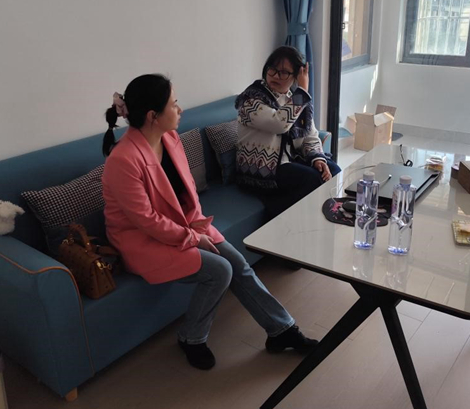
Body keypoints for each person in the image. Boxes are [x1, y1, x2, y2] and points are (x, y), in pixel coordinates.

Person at [101, 74, 318, 370]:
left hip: (183, 224)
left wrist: (196, 227)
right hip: (141, 240)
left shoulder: (170, 138)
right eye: (174, 104)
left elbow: (186, 191)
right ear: (153, 116)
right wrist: (192, 238)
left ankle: (282, 330)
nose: (180, 109)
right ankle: (191, 337)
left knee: (237, 263)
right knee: (219, 270)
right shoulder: (123, 159)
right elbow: (146, 220)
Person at [235, 45, 341, 217]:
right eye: (272, 69)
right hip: (260, 167)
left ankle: (323, 218)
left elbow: (310, 135)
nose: (276, 76)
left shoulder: (293, 100)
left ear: (295, 76)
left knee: (333, 170)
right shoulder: (251, 100)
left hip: (288, 162)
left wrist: (317, 159)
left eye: (284, 72)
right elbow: (279, 123)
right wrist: (303, 91)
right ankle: (284, 220)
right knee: (311, 179)